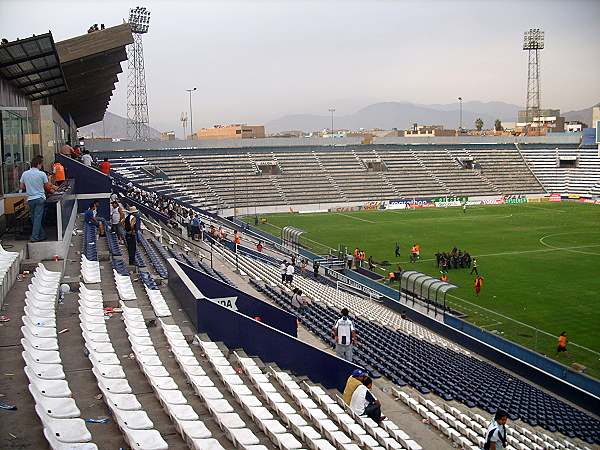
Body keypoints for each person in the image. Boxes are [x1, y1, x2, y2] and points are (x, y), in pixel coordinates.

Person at [19, 155, 56, 242]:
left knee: (34, 218)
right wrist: (53, 191)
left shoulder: (25, 173)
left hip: (30, 199)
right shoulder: (42, 174)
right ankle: (34, 237)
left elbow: (21, 186)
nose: (41, 166)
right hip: (39, 198)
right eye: (41, 164)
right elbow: (47, 187)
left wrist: (29, 185)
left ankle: (42, 235)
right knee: (38, 219)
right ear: (38, 164)